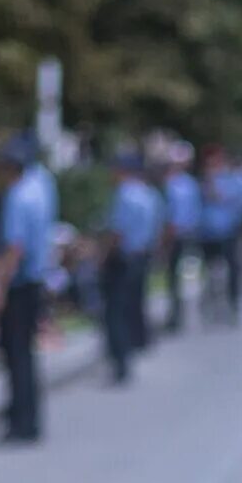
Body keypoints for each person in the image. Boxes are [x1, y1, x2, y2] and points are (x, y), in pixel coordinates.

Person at [0, 135, 54, 443]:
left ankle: (22, 422)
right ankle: (28, 419)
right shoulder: (39, 190)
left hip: (20, 284)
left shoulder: (18, 196)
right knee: (25, 354)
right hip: (33, 280)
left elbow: (14, 247)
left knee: (16, 357)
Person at [100, 151, 161, 381]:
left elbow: (117, 232)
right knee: (136, 301)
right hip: (142, 255)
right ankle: (140, 341)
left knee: (115, 311)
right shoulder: (149, 194)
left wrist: (103, 256)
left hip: (123, 259)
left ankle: (121, 360)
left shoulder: (124, 194)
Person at [197, 147, 242, 323]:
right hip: (207, 233)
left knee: (232, 270)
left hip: (226, 231)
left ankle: (233, 304)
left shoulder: (230, 180)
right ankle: (210, 304)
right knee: (210, 270)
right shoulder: (201, 182)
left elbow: (227, 198)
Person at [161, 148, 201, 334]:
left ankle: (180, 313)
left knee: (182, 275)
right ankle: (178, 313)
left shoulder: (179, 184)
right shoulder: (183, 183)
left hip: (181, 234)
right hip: (182, 233)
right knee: (177, 275)